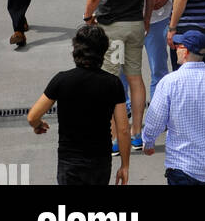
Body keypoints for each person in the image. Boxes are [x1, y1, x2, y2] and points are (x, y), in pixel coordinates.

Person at [83, 0, 156, 155]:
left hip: (111, 27)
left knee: (111, 80)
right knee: (135, 77)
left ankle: (115, 138)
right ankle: (137, 135)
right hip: (135, 24)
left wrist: (87, 17)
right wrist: (146, 19)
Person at [27, 24, 129, 187]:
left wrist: (38, 125)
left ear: (76, 50)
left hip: (69, 161)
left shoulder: (61, 80)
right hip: (100, 161)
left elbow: (33, 116)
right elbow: (123, 129)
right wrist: (125, 165)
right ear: (102, 52)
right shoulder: (113, 83)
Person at [141, 27, 205, 186]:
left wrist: (148, 142)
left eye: (179, 46)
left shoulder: (169, 82)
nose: (176, 49)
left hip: (179, 164)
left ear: (185, 51)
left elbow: (155, 119)